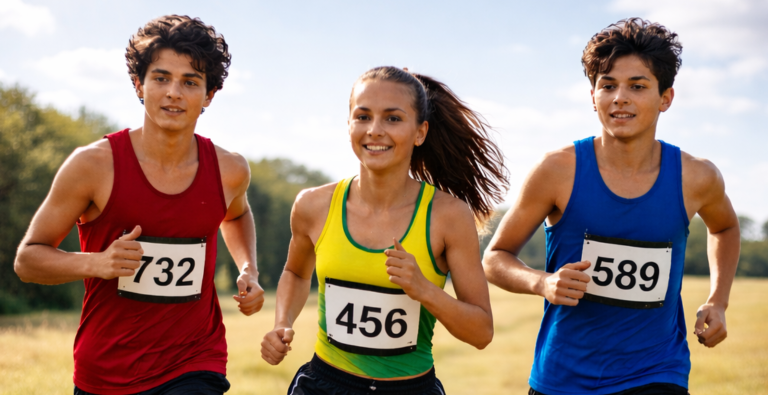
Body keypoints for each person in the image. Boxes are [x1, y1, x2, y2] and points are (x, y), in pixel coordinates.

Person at [483, 18, 741, 395]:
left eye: (637, 86)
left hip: (658, 371)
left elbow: (725, 228)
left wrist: (718, 301)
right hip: (563, 377)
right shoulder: (556, 171)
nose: (620, 97)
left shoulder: (697, 177)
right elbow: (495, 258)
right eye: (608, 86)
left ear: (666, 98)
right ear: (593, 97)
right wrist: (543, 282)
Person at [14, 15, 265, 394]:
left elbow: (237, 214)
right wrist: (97, 263)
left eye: (190, 82)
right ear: (139, 85)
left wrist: (249, 269)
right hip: (106, 369)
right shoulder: (92, 166)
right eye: (161, 78)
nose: (173, 93)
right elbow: (28, 260)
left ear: (209, 95)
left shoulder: (230, 170)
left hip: (195, 361)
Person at [260, 66, 508, 394]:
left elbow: (481, 332)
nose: (375, 130)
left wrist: (424, 289)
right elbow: (296, 272)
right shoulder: (312, 205)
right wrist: (282, 322)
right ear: (349, 124)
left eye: (393, 118)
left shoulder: (448, 216)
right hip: (323, 384)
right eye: (363, 117)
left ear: (420, 132)